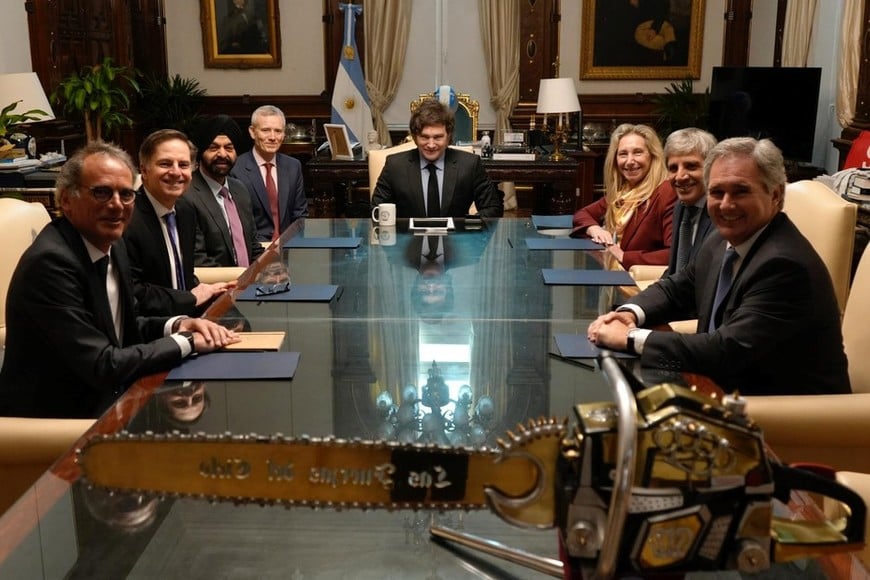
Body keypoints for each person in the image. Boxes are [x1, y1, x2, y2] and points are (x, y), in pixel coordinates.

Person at [588, 137, 850, 396]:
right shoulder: (721, 239)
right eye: (717, 193)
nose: (726, 205)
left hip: (785, 410)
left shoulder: (784, 266)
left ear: (775, 194)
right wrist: (629, 314)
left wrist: (630, 337)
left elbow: (726, 351)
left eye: (740, 191)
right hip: (720, 386)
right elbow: (676, 289)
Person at [0, 141, 238, 418]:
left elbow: (124, 326)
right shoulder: (51, 264)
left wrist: (178, 324)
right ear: (66, 200)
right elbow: (103, 365)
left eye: (126, 194)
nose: (116, 205)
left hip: (115, 395)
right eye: (102, 192)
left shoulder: (112, 243)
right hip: (62, 419)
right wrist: (187, 341)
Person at [124, 129, 231, 317]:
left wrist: (210, 296)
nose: (176, 172)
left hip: (188, 317)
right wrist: (189, 299)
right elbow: (132, 291)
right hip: (151, 326)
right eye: (165, 164)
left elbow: (183, 278)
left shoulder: (185, 210)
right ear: (144, 170)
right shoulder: (127, 219)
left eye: (183, 165)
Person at [371, 99, 503, 218]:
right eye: (424, 137)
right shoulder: (395, 166)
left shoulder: (470, 165)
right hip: (408, 236)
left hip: (456, 236)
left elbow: (492, 208)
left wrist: (466, 227)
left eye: (438, 137)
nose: (431, 145)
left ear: (448, 136)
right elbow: (376, 210)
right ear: (415, 137)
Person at [571, 123, 676, 269]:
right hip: (611, 272)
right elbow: (582, 214)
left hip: (637, 279)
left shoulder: (667, 191)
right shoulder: (623, 192)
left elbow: (674, 254)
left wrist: (624, 256)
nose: (629, 161)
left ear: (653, 156)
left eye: (638, 152)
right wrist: (594, 229)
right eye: (623, 154)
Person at [188, 115, 264, 268]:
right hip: (218, 281)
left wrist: (271, 269)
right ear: (201, 152)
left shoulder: (239, 189)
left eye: (229, 148)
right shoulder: (187, 195)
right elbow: (198, 260)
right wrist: (240, 278)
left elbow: (253, 246)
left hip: (250, 279)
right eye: (213, 148)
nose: (222, 154)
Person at [231, 105, 308, 242]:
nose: (273, 137)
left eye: (278, 131)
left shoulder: (293, 166)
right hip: (253, 247)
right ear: (252, 132)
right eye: (265, 130)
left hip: (289, 245)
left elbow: (300, 215)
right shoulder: (236, 169)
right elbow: (237, 221)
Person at [663, 127, 717, 277]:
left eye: (691, 166)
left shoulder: (720, 212)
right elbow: (674, 271)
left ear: (711, 167)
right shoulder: (680, 207)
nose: (680, 176)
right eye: (673, 168)